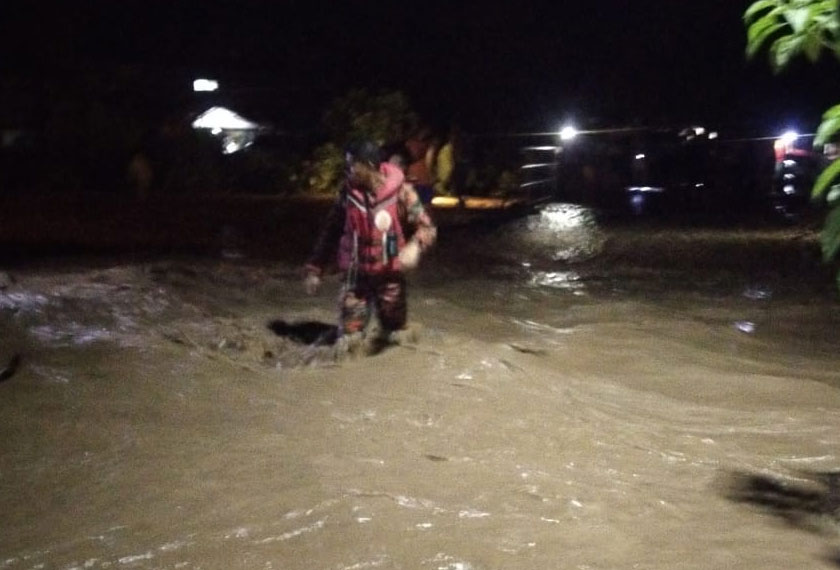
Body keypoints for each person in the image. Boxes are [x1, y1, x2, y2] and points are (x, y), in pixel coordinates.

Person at [303, 139, 437, 354]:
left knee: (396, 338)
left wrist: (415, 247)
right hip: (355, 278)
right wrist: (314, 270)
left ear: (368, 166)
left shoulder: (402, 192)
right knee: (348, 340)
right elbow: (330, 232)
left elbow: (427, 227)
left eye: (352, 164)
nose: (347, 169)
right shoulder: (347, 195)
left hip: (390, 276)